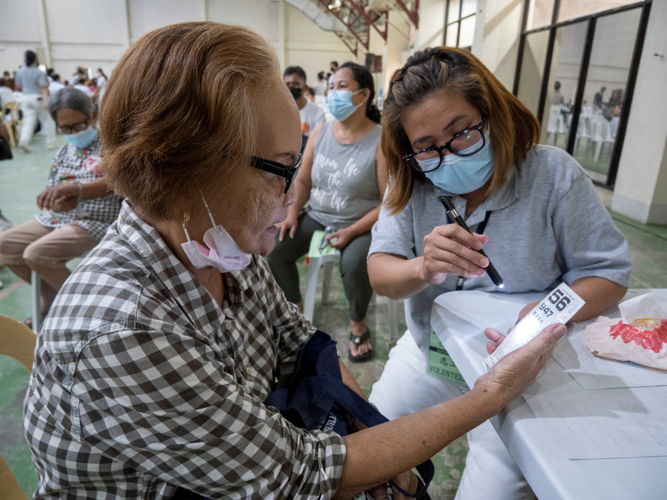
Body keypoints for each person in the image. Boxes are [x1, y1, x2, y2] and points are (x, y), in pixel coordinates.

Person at [22, 23, 566, 500]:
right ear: (187, 167)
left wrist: (371, 437)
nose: (292, 196)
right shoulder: (122, 330)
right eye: (280, 168)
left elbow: (301, 346)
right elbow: (296, 476)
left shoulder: (218, 246)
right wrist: (492, 392)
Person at [367, 47, 632, 500]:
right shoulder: (411, 183)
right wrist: (422, 266)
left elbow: (608, 274)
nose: (447, 156)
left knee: (494, 488)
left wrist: (548, 313)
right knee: (368, 448)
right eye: (426, 148)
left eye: (462, 132)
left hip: (519, 365)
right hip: (430, 353)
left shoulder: (552, 174)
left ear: (493, 114)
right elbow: (381, 271)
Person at [269, 62, 384, 363]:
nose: (334, 93)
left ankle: (357, 323)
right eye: (331, 87)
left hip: (359, 222)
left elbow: (389, 202)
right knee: (275, 248)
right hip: (318, 215)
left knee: (356, 262)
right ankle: (296, 318)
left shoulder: (381, 140)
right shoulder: (320, 132)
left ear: (363, 95)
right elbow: (303, 180)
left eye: (342, 87)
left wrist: (353, 231)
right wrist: (292, 212)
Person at [0, 88, 121, 327]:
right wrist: (57, 201)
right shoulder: (64, 152)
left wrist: (77, 190)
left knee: (36, 254)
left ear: (93, 117)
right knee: (5, 245)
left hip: (98, 221)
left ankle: (91, 305)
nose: (73, 133)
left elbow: (116, 181)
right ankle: (52, 296)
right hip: (60, 218)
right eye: (65, 128)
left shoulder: (110, 145)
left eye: (78, 125)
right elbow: (54, 187)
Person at [15, 50, 56, 152]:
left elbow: (18, 86)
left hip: (25, 97)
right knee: (49, 120)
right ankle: (51, 143)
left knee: (28, 121)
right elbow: (43, 88)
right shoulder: (39, 72)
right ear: (35, 60)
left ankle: (24, 141)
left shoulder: (20, 71)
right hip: (37, 98)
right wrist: (46, 102)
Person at [284, 66, 325, 137]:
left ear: (305, 87)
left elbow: (318, 142)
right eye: (287, 84)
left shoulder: (318, 113)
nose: (290, 87)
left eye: (295, 84)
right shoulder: (279, 112)